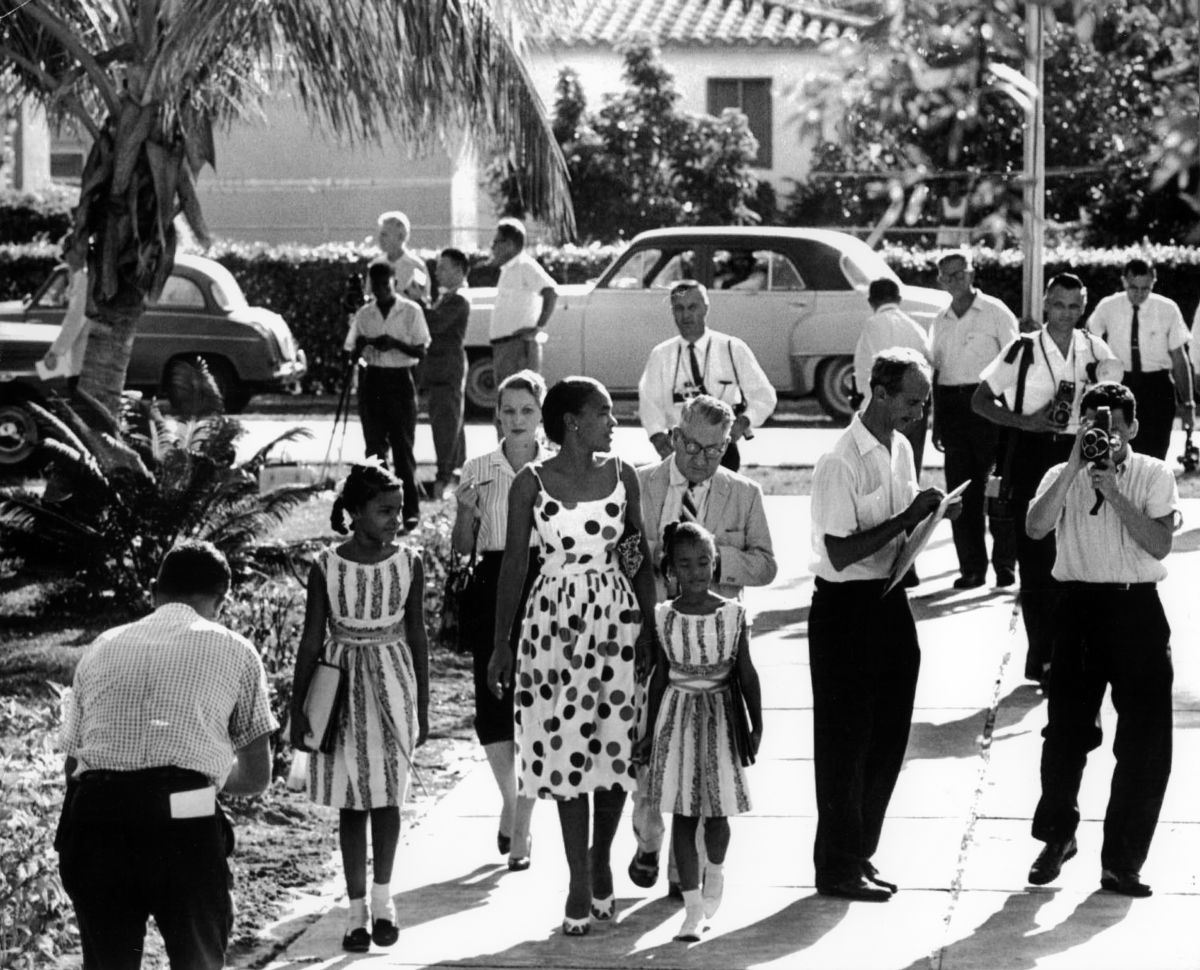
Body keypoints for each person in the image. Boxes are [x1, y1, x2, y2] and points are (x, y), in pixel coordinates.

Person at [488, 377, 658, 936]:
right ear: (572, 422)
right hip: (552, 627)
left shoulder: (622, 475)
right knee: (564, 757)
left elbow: (636, 553)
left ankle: (602, 857)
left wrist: (651, 624)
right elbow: (515, 565)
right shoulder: (530, 484)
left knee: (612, 749)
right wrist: (500, 644)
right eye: (603, 413)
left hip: (614, 619)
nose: (614, 422)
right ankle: (578, 878)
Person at [56, 541, 276, 970]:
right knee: (197, 960)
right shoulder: (235, 649)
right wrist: (203, 770)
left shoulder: (103, 644)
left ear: (154, 591)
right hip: (183, 822)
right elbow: (255, 776)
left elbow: (73, 763)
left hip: (95, 819)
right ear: (222, 599)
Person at [809, 347, 961, 901]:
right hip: (845, 610)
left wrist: (935, 515)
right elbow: (841, 552)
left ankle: (860, 853)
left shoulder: (900, 448)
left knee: (889, 736)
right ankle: (836, 865)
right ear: (879, 391)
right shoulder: (840, 460)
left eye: (924, 403)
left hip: (890, 601)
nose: (920, 413)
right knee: (844, 743)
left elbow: (901, 532)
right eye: (913, 402)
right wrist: (908, 516)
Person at [1024, 382, 1177, 898]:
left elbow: (1159, 543)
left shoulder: (1153, 473)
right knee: (1064, 734)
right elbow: (1035, 527)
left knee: (1145, 742)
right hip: (1079, 610)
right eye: (1092, 426)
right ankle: (1056, 837)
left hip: (1136, 608)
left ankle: (1122, 862)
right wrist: (1072, 468)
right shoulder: (1058, 474)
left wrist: (1112, 489)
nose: (1102, 436)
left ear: (1131, 428)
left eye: (1111, 427)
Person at [628, 394, 776, 895]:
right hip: (653, 636)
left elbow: (766, 564)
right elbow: (623, 552)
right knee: (649, 753)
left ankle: (681, 873)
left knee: (699, 764)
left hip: (712, 649)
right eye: (691, 446)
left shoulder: (744, 494)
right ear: (674, 438)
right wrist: (659, 560)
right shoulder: (641, 483)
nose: (701, 459)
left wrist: (711, 559)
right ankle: (649, 840)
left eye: (715, 451)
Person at [290, 464, 430, 952]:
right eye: (385, 510)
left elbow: (417, 635)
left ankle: (384, 899)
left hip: (393, 681)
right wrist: (298, 705)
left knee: (387, 794)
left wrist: (424, 705)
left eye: (400, 509)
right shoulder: (326, 566)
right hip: (340, 682)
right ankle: (354, 913)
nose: (396, 519)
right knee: (352, 800)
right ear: (354, 513)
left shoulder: (409, 562)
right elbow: (311, 640)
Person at [971, 274, 1121, 685]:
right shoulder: (1022, 349)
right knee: (1037, 561)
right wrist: (1025, 421)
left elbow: (1115, 401)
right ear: (1045, 305)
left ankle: (1074, 653)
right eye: (1059, 305)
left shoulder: (1095, 348)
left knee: (1080, 553)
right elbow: (979, 400)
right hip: (1032, 453)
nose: (1066, 314)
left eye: (1074, 306)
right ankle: (1044, 658)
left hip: (1079, 451)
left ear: (1083, 308)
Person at [634, 521, 763, 941]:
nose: (695, 572)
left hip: (721, 717)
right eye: (685, 564)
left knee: (717, 813)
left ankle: (717, 872)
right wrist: (650, 730)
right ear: (670, 569)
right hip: (678, 718)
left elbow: (746, 673)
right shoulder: (663, 616)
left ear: (716, 563)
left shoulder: (732, 614)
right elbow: (659, 678)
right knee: (685, 816)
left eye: (704, 562)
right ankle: (691, 909)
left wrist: (756, 722)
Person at [452, 370, 547, 871]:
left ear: (541, 413)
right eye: (508, 411)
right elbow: (461, 549)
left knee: (537, 703)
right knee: (493, 699)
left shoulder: (556, 466)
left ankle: (523, 825)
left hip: (544, 582)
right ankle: (511, 800)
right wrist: (465, 514)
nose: (517, 420)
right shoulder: (478, 467)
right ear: (497, 415)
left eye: (527, 411)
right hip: (491, 582)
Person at [930, 251, 1019, 590]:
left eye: (959, 274)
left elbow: (1016, 364)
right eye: (946, 276)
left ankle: (1005, 566)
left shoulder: (995, 312)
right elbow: (937, 371)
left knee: (998, 489)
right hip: (953, 409)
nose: (954, 281)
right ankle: (971, 569)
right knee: (960, 494)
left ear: (972, 273)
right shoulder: (940, 319)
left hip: (990, 406)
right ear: (940, 280)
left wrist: (1009, 414)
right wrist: (937, 421)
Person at [638, 280, 777, 474]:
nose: (686, 315)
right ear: (672, 312)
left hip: (721, 449)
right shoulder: (661, 354)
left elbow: (764, 396)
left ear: (706, 308)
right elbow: (649, 403)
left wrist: (742, 423)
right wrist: (658, 439)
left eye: (692, 307)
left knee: (722, 501)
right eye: (679, 308)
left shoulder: (732, 348)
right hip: (680, 449)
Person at [346, 262, 430, 532]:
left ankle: (410, 512)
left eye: (386, 284)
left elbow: (421, 351)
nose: (381, 290)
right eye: (377, 284)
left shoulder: (410, 310)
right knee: (374, 451)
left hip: (400, 380)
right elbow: (352, 349)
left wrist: (394, 343)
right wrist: (363, 345)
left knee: (403, 450)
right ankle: (377, 512)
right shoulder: (365, 313)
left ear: (394, 282)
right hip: (373, 380)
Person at [1086, 258, 1193, 461]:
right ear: (1124, 281)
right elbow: (1089, 342)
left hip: (1158, 387)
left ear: (1153, 282)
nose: (1139, 294)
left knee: (1156, 452)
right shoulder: (1108, 307)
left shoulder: (1167, 308)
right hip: (1121, 384)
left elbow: (1179, 359)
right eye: (1133, 287)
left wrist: (1188, 402)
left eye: (1146, 288)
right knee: (1116, 448)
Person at [854, 278, 933, 474]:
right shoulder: (915, 327)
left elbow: (863, 368)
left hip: (882, 407)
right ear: (899, 299)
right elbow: (929, 366)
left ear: (871, 301)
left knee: (878, 472)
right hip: (913, 408)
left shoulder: (872, 325)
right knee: (909, 471)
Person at [421, 247, 471, 499]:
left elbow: (435, 323)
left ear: (459, 270)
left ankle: (444, 477)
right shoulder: (449, 297)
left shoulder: (459, 299)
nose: (437, 272)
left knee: (445, 423)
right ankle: (455, 473)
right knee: (451, 422)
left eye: (443, 267)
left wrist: (418, 301)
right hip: (442, 367)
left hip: (447, 368)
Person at [489, 218, 557, 383]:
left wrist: (538, 327)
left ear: (510, 244)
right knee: (507, 402)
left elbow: (551, 292)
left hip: (518, 347)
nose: (493, 247)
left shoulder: (525, 266)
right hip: (505, 348)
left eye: (497, 242)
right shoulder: (509, 269)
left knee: (522, 398)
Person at [37, 232, 91, 386]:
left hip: (81, 362)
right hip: (79, 360)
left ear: (75, 252)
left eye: (67, 251)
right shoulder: (82, 277)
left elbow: (74, 319)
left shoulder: (83, 279)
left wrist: (55, 352)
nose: (65, 258)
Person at [373, 210, 430, 301]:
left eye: (384, 234)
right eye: (380, 234)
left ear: (401, 236)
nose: (380, 239)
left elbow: (424, 298)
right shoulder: (376, 265)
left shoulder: (416, 266)